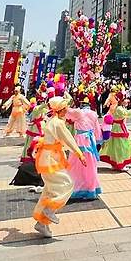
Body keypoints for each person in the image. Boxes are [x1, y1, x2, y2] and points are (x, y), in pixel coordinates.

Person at [33, 97, 86, 238]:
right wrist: (80, 154)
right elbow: (68, 139)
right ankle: (49, 210)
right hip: (51, 159)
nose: (67, 110)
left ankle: (42, 223)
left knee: (50, 190)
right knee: (67, 184)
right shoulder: (58, 123)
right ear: (61, 110)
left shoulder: (53, 121)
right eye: (65, 108)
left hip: (48, 158)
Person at [66, 97, 102, 199]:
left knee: (75, 164)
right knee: (90, 165)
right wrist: (98, 140)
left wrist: (66, 101)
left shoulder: (78, 112)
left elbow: (66, 112)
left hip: (80, 140)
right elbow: (97, 129)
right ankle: (91, 188)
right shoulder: (94, 114)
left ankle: (76, 186)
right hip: (90, 140)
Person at [100, 93, 131, 170]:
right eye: (125, 99)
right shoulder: (119, 108)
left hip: (116, 127)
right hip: (119, 128)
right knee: (121, 146)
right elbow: (126, 113)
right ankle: (120, 164)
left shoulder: (117, 107)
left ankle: (115, 164)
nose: (127, 100)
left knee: (115, 146)